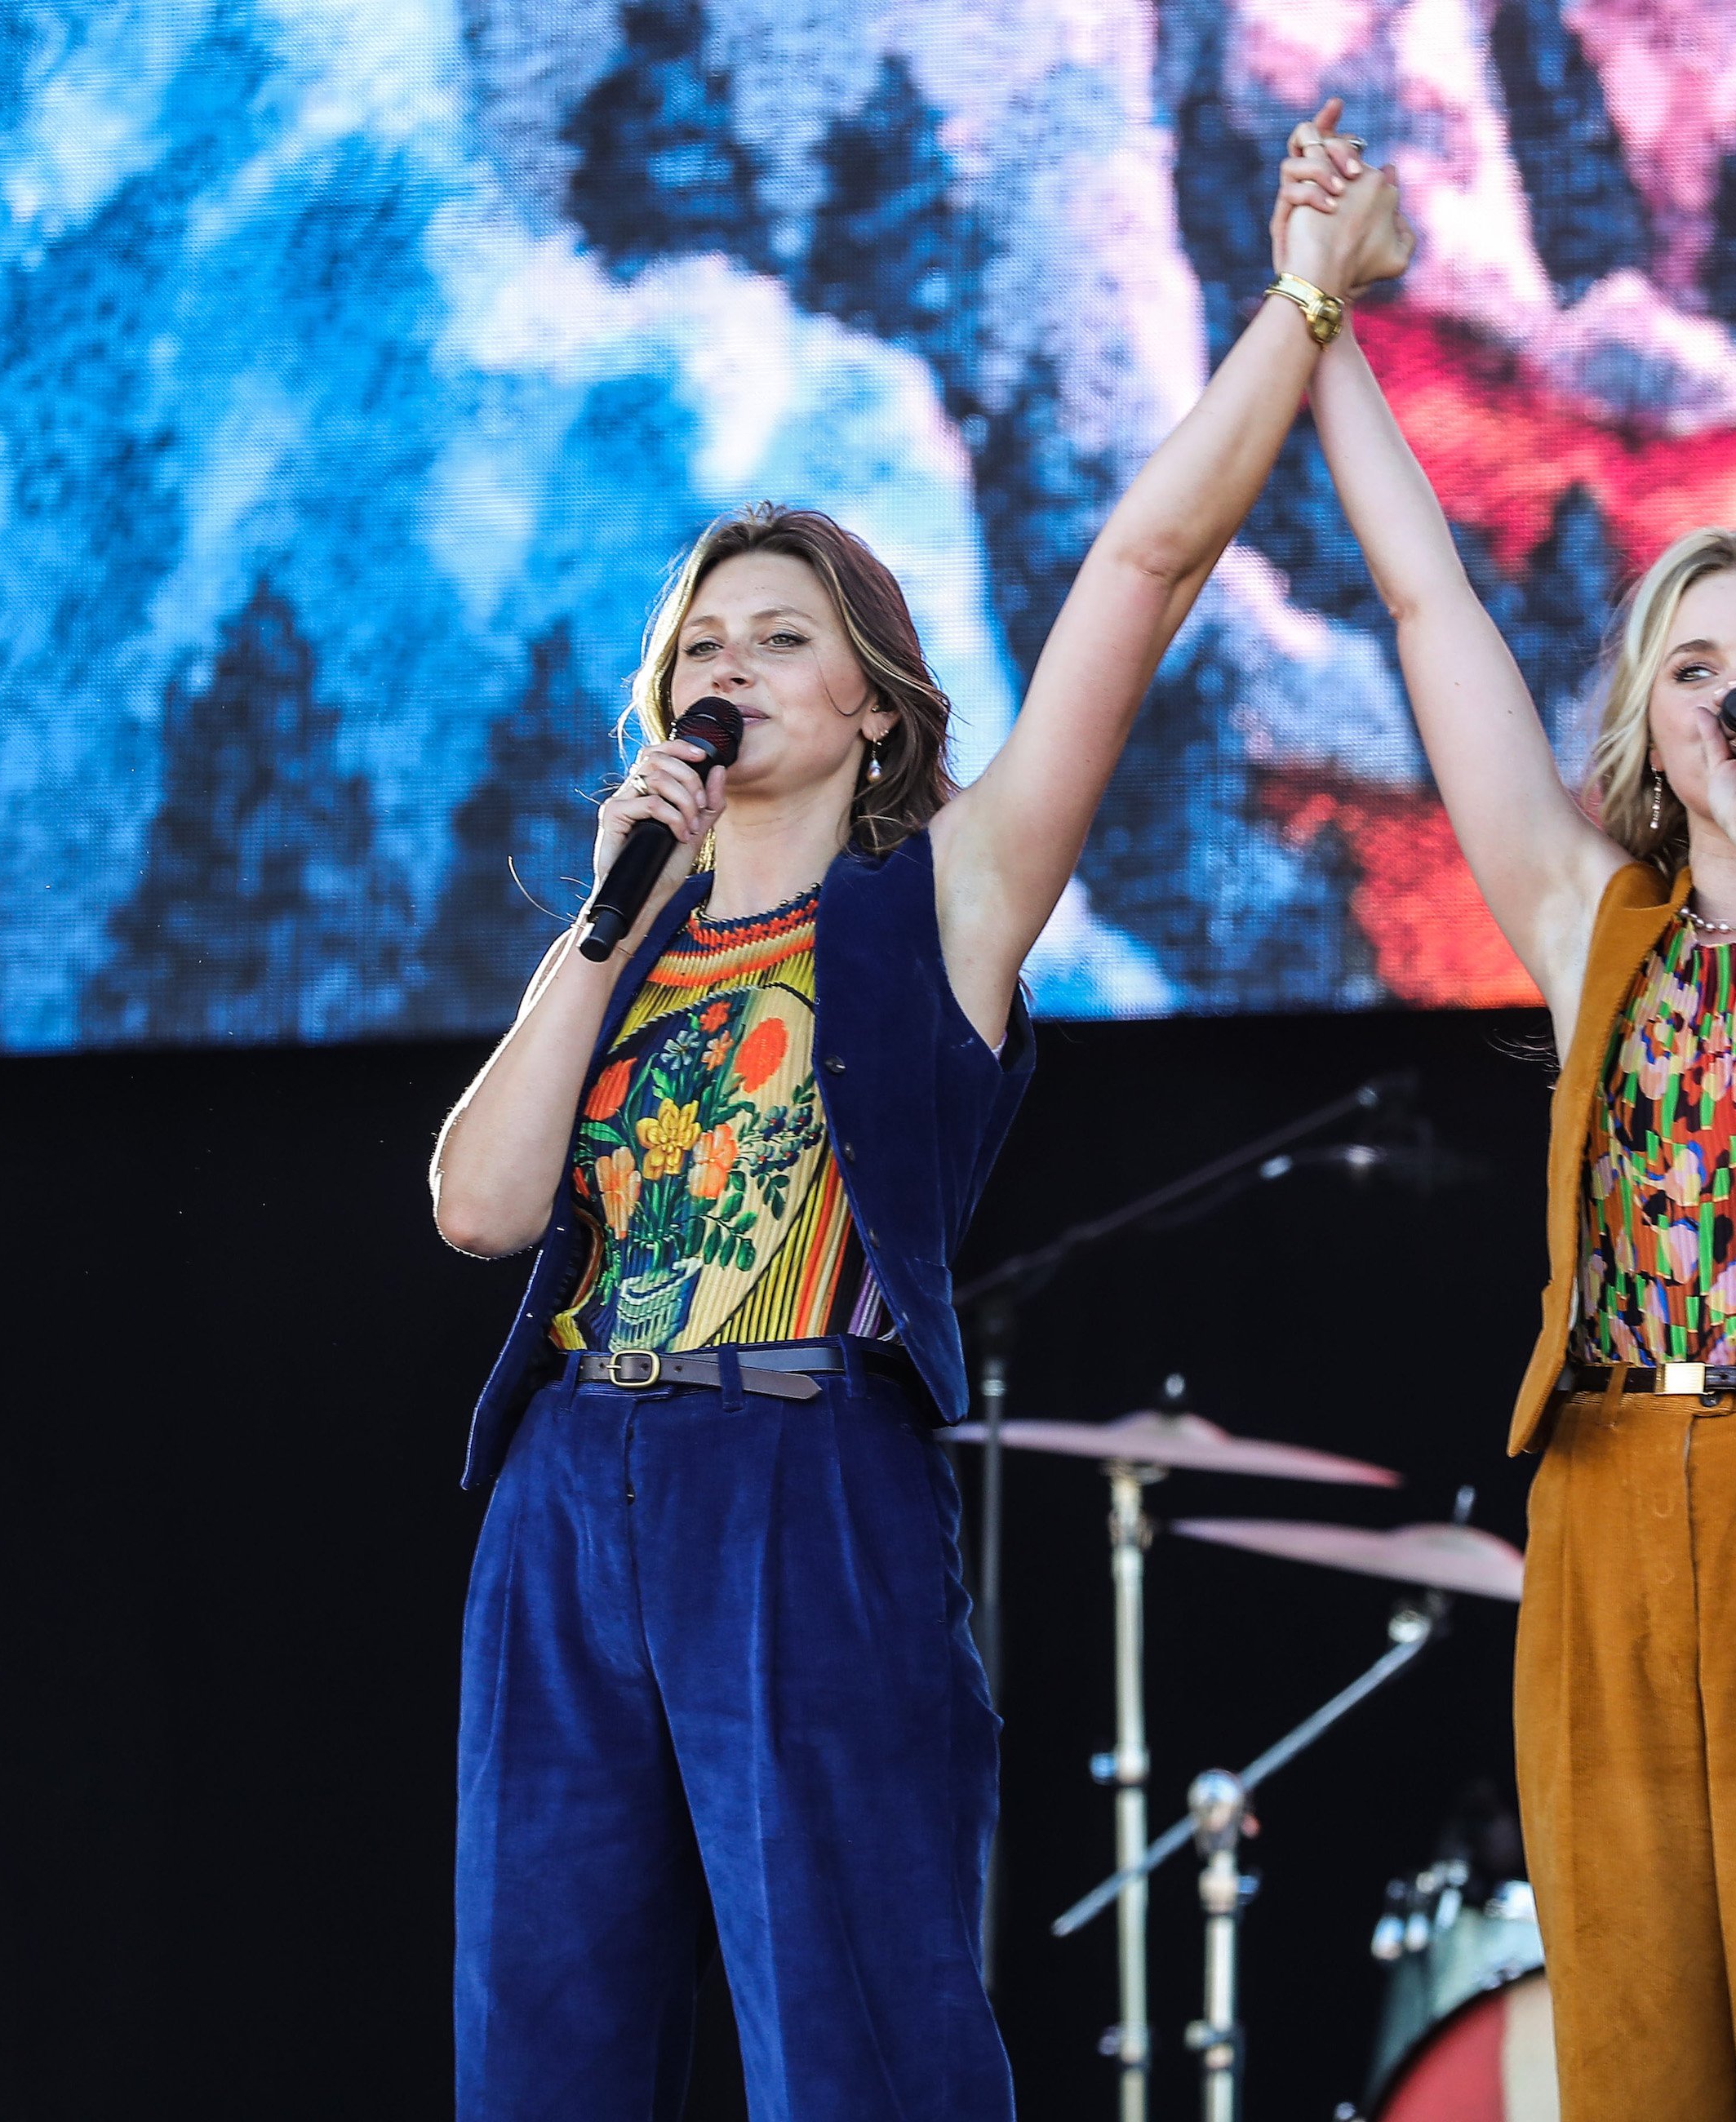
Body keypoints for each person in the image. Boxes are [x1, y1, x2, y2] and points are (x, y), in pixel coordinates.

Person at [426, 114, 1413, 2121]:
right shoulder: (615, 938)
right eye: (698, 644)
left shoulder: (935, 907)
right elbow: (476, 1205)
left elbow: (1138, 574)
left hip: (796, 1480)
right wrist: (602, 929)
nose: (728, 667)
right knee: (543, 2052)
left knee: (856, 2045)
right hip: (565, 1484)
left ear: (873, 700)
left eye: (777, 635)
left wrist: (1304, 300)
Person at [1280, 125, 1736, 2122]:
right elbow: (1434, 612)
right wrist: (1321, 318)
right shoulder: (1583, 915)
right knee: (1633, 2056)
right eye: (1694, 668)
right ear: (1638, 724)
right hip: (1608, 1494)